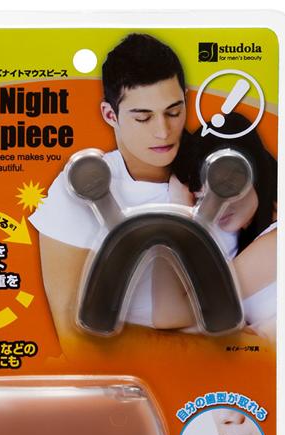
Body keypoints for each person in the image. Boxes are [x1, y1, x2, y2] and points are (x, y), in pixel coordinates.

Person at [29, 33, 190, 346]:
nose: (163, 131)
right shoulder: (81, 186)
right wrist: (235, 348)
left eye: (173, 112)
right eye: (143, 117)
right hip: (136, 372)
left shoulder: (216, 172)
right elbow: (78, 340)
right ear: (110, 115)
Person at [152, 113, 278, 339]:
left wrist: (178, 208)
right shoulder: (250, 243)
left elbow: (167, 314)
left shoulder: (277, 243)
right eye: (200, 199)